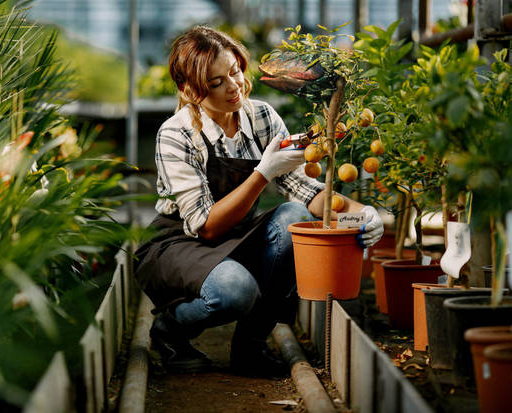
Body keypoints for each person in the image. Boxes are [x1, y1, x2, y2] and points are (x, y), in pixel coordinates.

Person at [134, 25, 383, 377]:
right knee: (235, 290)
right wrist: (263, 172)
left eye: (235, 71)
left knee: (293, 215)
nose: (234, 86)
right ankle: (170, 332)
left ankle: (250, 347)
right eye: (216, 82)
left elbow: (304, 190)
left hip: (233, 235)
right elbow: (204, 227)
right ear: (190, 90)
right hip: (179, 243)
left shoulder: (262, 117)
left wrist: (363, 214)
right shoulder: (176, 135)